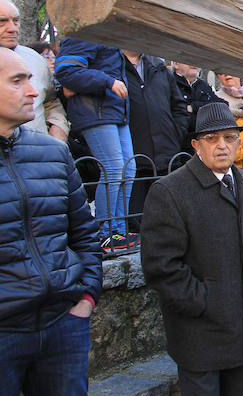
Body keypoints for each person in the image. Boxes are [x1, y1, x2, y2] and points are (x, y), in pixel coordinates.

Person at [140, 102, 243, 396]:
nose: (223, 145)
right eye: (212, 139)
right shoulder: (170, 191)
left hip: (241, 331)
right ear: (196, 146)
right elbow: (161, 268)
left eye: (230, 137)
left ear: (239, 142)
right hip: (201, 335)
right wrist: (206, 302)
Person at [0, 48, 102, 396]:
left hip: (63, 326)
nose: (33, 90)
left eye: (32, 78)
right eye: (17, 81)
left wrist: (87, 296)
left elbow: (84, 234)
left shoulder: (54, 152)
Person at [55, 38, 136, 251]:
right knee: (113, 168)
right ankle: (106, 232)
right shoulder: (84, 33)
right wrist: (107, 82)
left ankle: (119, 229)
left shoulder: (106, 33)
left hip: (115, 111)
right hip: (96, 111)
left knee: (129, 168)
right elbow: (65, 70)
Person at [122, 49, 191, 231]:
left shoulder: (159, 68)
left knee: (171, 222)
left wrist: (175, 134)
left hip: (166, 159)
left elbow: (178, 106)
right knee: (137, 227)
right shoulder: (114, 66)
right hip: (134, 162)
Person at [0, 0, 69, 141]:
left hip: (36, 154)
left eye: (16, 21)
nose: (12, 28)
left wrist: (59, 127)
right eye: (2, 22)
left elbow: (50, 102)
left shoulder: (35, 59)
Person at [172, 61, 225, 146]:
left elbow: (222, 105)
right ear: (176, 64)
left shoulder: (203, 85)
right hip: (179, 144)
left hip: (205, 142)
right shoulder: (169, 84)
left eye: (195, 59)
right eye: (188, 58)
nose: (193, 63)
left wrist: (194, 107)